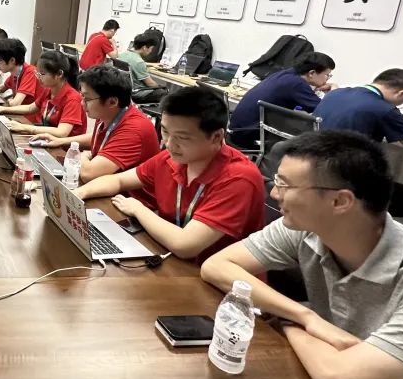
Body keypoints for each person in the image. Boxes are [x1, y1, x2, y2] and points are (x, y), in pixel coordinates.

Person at [201, 131, 403, 379]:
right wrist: (306, 315)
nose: (274, 192)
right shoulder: (308, 228)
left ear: (340, 201)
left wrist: (288, 321)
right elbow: (217, 266)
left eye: (285, 185)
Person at [75, 86, 265, 261]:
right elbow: (118, 181)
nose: (169, 144)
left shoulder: (238, 178)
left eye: (182, 137)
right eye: (165, 132)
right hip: (169, 256)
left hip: (210, 276)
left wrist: (138, 209)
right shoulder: (172, 158)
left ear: (216, 137)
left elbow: (185, 246)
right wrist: (78, 194)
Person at [42, 66, 161, 184]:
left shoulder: (134, 130)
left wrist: (82, 155)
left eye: (87, 99)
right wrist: (61, 141)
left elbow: (88, 174)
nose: (82, 103)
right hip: (105, 185)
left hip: (125, 195)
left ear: (112, 102)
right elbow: (99, 136)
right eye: (82, 96)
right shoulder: (108, 112)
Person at [313, 69, 403, 155]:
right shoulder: (385, 110)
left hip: (314, 158)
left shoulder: (335, 93)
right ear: (402, 93)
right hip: (344, 170)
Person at [229, 52, 337, 149]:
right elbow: (326, 110)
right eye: (327, 75)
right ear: (311, 73)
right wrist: (334, 92)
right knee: (313, 137)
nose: (328, 78)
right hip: (248, 137)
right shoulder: (296, 84)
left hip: (236, 130)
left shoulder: (285, 74)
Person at [6, 49, 86, 139]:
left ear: (59, 74)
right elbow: (30, 108)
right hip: (46, 140)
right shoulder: (48, 90)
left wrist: (25, 127)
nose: (38, 77)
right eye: (37, 73)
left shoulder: (72, 99)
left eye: (42, 74)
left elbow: (61, 132)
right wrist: (2, 109)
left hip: (63, 146)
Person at [0, 38, 43, 117]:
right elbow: (1, 88)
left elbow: (15, 103)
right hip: (19, 115)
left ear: (12, 60)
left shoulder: (30, 72)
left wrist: (10, 102)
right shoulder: (15, 72)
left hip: (29, 119)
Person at [117, 32, 166, 104]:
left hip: (123, 90)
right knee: (165, 93)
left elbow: (133, 63)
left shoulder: (123, 55)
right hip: (137, 93)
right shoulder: (139, 62)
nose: (151, 51)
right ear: (144, 47)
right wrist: (161, 86)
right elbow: (150, 84)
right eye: (151, 48)